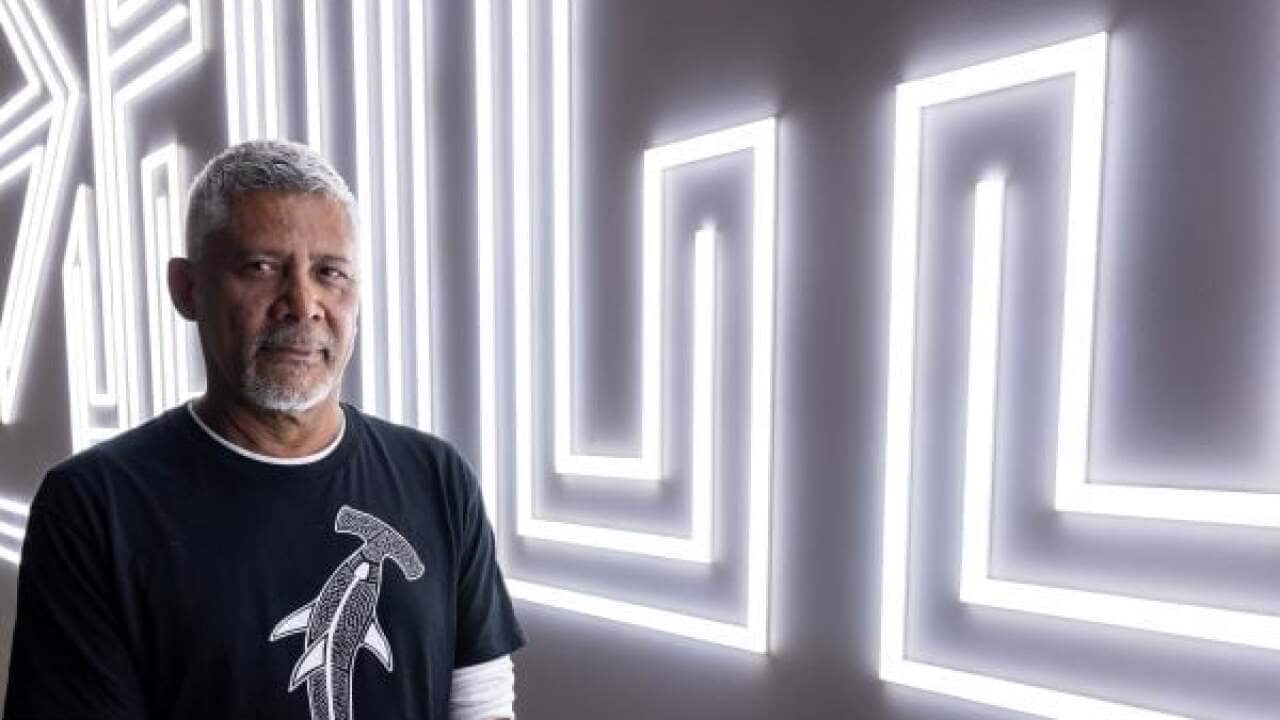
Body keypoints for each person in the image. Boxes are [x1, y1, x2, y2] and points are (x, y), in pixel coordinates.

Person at [4, 140, 525, 720]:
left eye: (330, 273)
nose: (302, 304)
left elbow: (481, 705)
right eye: (261, 268)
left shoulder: (437, 478)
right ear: (187, 289)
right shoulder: (95, 506)